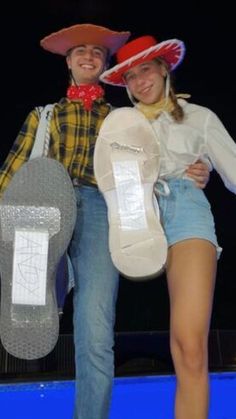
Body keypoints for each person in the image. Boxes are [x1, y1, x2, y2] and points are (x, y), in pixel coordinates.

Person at [0, 24, 210, 419]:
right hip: (47, 206)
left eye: (97, 52)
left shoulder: (127, 120)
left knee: (96, 330)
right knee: (32, 287)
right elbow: (11, 174)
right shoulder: (44, 115)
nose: (89, 56)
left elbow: (158, 165)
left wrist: (199, 168)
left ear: (105, 63)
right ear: (68, 62)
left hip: (102, 212)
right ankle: (36, 278)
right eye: (80, 51)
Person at [98, 34, 236, 418]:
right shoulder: (118, 127)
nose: (140, 81)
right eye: (130, 77)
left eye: (145, 70)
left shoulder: (200, 117)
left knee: (189, 345)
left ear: (164, 68)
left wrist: (202, 169)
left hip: (186, 211)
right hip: (133, 216)